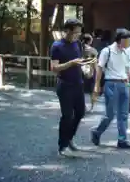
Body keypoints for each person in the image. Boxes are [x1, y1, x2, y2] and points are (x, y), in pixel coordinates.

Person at [50, 18, 91, 156]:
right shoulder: (57, 46)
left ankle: (69, 139)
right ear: (67, 31)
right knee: (67, 116)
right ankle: (62, 146)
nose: (77, 35)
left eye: (79, 33)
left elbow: (80, 61)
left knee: (80, 113)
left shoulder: (78, 44)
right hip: (65, 85)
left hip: (78, 84)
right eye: (75, 32)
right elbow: (54, 67)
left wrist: (85, 68)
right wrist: (70, 63)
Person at [91, 29, 130, 149]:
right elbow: (99, 68)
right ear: (121, 40)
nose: (129, 44)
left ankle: (122, 140)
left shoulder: (125, 52)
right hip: (111, 84)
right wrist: (97, 85)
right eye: (128, 41)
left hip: (124, 84)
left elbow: (127, 67)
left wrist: (129, 78)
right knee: (110, 114)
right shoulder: (107, 51)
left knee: (123, 114)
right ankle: (97, 131)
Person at [81, 33, 98, 112]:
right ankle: (92, 107)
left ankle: (82, 106)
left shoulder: (80, 49)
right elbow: (95, 62)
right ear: (90, 41)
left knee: (81, 90)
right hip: (91, 70)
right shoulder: (93, 50)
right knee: (92, 91)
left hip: (81, 71)